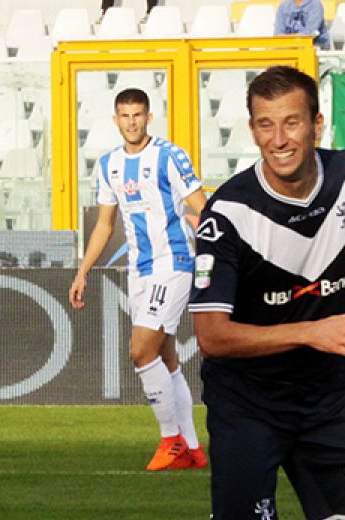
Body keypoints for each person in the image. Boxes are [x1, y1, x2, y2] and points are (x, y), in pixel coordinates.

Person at [186, 66, 345, 520]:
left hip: (332, 393)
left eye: (291, 122)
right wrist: (312, 331)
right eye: (265, 124)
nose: (279, 138)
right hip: (249, 402)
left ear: (317, 123)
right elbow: (212, 336)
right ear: (252, 130)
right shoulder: (228, 215)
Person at [69, 89, 208, 473]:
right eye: (125, 116)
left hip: (174, 263)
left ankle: (170, 439)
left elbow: (203, 208)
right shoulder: (109, 164)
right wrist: (83, 271)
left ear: (148, 118)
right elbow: (104, 225)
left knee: (140, 350)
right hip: (140, 271)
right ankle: (192, 448)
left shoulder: (169, 156)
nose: (132, 122)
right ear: (116, 120)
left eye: (138, 115)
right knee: (165, 357)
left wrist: (219, 257)